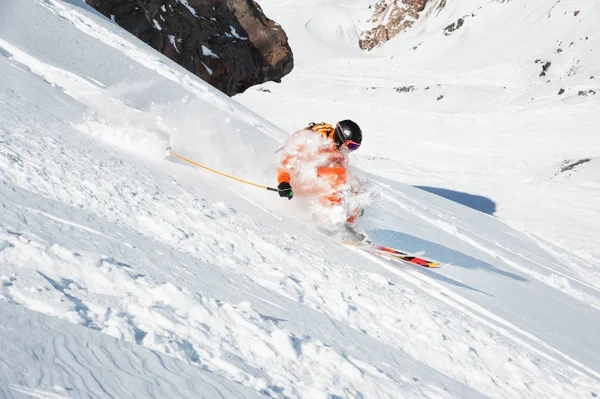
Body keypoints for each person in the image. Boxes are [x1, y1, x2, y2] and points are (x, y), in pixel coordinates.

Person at [276, 120, 364, 224]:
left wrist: (354, 200)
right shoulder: (316, 143)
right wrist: (284, 183)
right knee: (336, 176)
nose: (351, 150)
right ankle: (326, 218)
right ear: (341, 138)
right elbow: (288, 164)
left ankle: (348, 224)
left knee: (356, 184)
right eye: (351, 146)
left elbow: (347, 175)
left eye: (355, 147)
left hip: (314, 174)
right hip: (297, 179)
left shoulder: (339, 150)